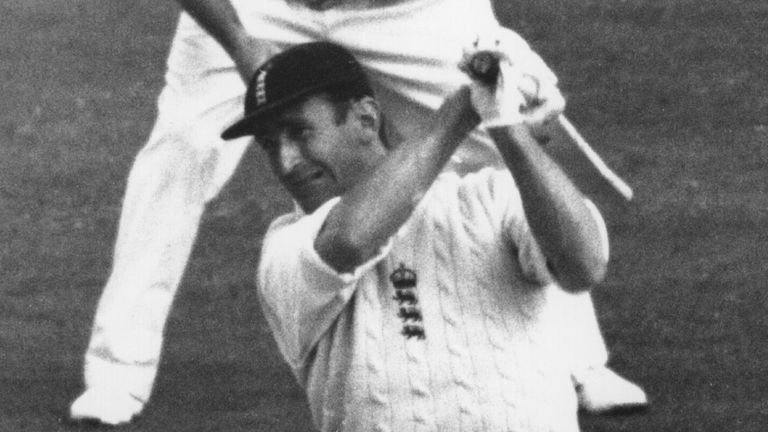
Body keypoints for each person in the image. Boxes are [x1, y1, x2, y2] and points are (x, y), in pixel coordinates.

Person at [69, 0, 646, 425]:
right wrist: (241, 42)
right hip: (252, 6)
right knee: (185, 146)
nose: (287, 161)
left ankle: (581, 360)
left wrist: (510, 108)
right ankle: (117, 367)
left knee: (502, 127)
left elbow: (520, 127)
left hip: (408, 8)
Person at [227, 39, 608, 431]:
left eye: (299, 132)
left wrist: (506, 126)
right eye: (270, 145)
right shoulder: (285, 248)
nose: (286, 162)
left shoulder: (489, 197)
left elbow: (584, 265)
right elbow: (351, 239)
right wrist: (463, 110)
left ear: (366, 119)